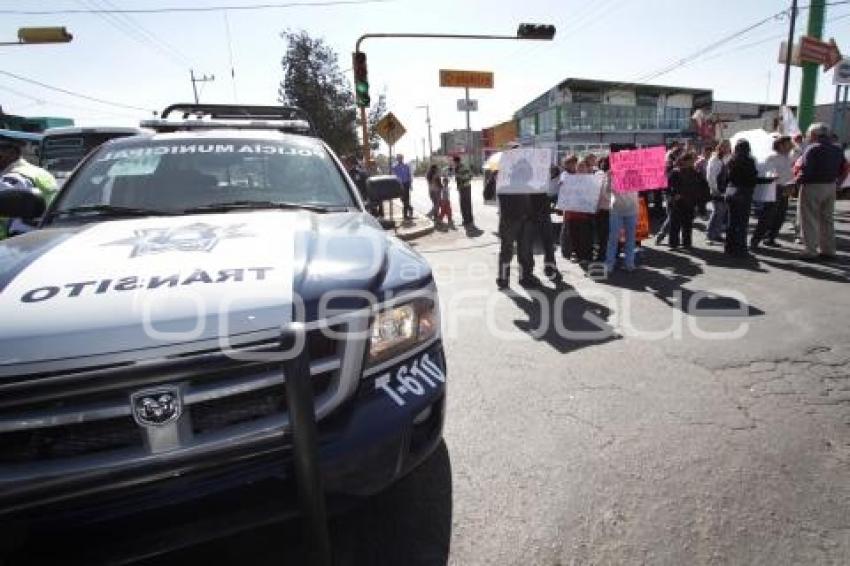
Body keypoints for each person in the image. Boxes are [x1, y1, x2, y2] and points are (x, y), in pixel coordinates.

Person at [796, 123, 848, 260]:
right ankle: (829, 250)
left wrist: (797, 181)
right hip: (830, 186)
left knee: (809, 219)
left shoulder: (812, 149)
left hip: (813, 186)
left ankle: (810, 250)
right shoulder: (837, 149)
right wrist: (838, 183)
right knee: (827, 219)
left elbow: (806, 170)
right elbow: (844, 168)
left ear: (813, 135)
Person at [0, 133, 58, 239]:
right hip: (45, 234)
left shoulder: (15, 177)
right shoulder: (39, 172)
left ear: (12, 153)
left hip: (17, 243)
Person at [496, 163, 537, 289]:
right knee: (506, 251)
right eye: (521, 171)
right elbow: (487, 195)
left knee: (525, 251)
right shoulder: (504, 185)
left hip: (526, 222)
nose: (524, 174)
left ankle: (526, 277)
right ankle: (503, 279)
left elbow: (535, 204)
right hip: (509, 222)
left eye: (526, 172)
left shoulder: (530, 186)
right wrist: (494, 178)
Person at [758, 136, 795, 247]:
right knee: (768, 215)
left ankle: (771, 238)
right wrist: (774, 175)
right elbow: (769, 172)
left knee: (780, 216)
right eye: (788, 143)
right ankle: (756, 239)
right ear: (780, 145)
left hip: (786, 187)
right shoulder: (772, 157)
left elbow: (798, 152)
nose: (791, 145)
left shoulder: (788, 157)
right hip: (775, 188)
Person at [725, 139, 759, 257]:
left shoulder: (731, 160)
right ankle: (741, 248)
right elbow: (752, 178)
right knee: (742, 222)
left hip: (731, 191)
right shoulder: (749, 161)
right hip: (744, 192)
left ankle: (729, 247)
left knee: (732, 222)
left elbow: (726, 178)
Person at [667, 152, 707, 249]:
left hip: (690, 202)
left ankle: (687, 243)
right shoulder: (676, 172)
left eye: (692, 160)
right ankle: (673, 244)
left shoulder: (695, 173)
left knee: (687, 224)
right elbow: (669, 186)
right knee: (675, 224)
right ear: (684, 161)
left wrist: (699, 201)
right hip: (678, 202)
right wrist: (674, 195)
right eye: (690, 160)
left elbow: (701, 187)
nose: (692, 162)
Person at [528, 165, 561, 281]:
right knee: (528, 244)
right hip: (530, 215)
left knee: (548, 242)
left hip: (543, 213)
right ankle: (528, 271)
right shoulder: (525, 180)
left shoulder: (544, 178)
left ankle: (550, 267)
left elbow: (549, 194)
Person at [604, 182, 640, 273]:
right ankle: (609, 263)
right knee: (613, 238)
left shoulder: (635, 175)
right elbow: (607, 192)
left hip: (632, 210)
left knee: (630, 238)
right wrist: (609, 178)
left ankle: (629, 263)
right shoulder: (614, 175)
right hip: (616, 210)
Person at [705, 140, 731, 243]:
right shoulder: (715, 159)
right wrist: (715, 189)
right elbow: (711, 177)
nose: (727, 148)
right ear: (719, 147)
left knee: (722, 212)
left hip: (725, 189)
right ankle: (710, 234)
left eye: (728, 146)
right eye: (724, 146)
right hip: (717, 190)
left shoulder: (726, 158)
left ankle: (717, 233)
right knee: (717, 212)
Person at [559, 155, 578, 259]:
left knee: (574, 226)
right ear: (566, 164)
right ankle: (566, 250)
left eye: (574, 162)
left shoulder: (577, 173)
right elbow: (561, 184)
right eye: (570, 163)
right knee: (566, 227)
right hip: (567, 204)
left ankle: (573, 249)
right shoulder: (565, 174)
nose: (573, 165)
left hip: (577, 204)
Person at [594, 156, 612, 262]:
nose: (603, 164)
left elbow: (607, 195)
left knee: (604, 234)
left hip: (606, 209)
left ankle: (603, 255)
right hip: (601, 209)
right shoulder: (598, 174)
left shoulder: (611, 176)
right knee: (603, 234)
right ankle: (602, 254)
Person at [453, 155, 475, 228]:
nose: (454, 164)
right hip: (462, 188)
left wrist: (459, 175)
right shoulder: (457, 168)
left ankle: (468, 220)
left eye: (454, 162)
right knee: (464, 204)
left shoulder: (463, 167)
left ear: (457, 162)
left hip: (465, 187)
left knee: (466, 204)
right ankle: (466, 220)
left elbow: (470, 176)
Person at [391, 154, 413, 219]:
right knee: (403, 199)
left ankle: (405, 215)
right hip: (399, 185)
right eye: (398, 158)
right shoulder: (395, 167)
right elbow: (394, 176)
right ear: (397, 159)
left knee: (407, 199)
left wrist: (410, 185)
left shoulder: (406, 166)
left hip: (406, 184)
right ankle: (410, 208)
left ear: (402, 158)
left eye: (400, 158)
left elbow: (409, 175)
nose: (399, 159)